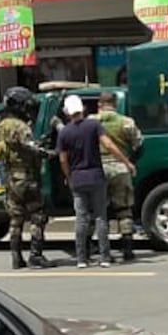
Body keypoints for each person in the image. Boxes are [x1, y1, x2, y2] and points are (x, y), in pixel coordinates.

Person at [57, 93, 134, 268]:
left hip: (78, 179)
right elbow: (108, 145)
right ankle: (105, 257)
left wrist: (69, 177)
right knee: (100, 217)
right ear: (82, 109)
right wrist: (126, 162)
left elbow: (62, 159)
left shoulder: (64, 132)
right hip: (96, 177)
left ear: (67, 112)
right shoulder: (93, 125)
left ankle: (82, 259)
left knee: (81, 218)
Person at [0, 87, 53, 269]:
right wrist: (47, 153)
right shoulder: (21, 127)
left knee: (16, 218)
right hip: (26, 176)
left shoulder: (1, 126)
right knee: (37, 216)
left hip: (10, 177)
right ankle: (36, 255)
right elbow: (30, 148)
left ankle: (16, 258)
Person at [97, 90, 144, 262]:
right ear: (115, 104)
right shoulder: (126, 122)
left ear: (99, 105)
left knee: (97, 210)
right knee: (124, 209)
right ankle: (128, 249)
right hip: (120, 168)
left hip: (98, 170)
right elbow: (138, 143)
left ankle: (94, 249)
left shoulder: (91, 122)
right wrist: (129, 160)